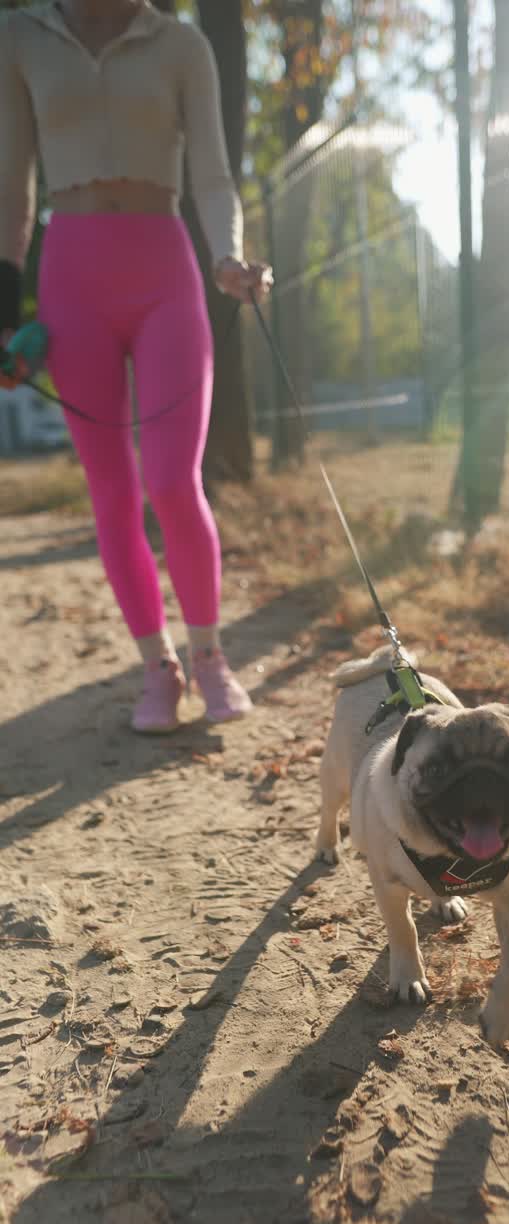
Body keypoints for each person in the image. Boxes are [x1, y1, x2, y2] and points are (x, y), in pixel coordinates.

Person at [0, 0, 273, 732]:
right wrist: (4, 307)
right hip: (70, 278)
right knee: (112, 489)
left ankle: (210, 655)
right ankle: (159, 667)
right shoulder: (20, 36)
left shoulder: (181, 44)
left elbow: (214, 175)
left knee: (171, 479)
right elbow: (12, 184)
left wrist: (227, 256)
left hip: (165, 270)